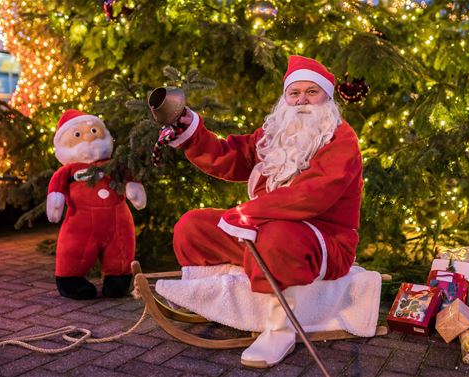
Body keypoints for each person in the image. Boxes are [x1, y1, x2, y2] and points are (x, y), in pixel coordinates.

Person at [166, 55, 363, 367]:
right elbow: (229, 156)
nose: (302, 100)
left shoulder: (341, 138)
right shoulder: (274, 133)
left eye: (312, 92)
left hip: (324, 242)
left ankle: (279, 328)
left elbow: (312, 195)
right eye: (294, 93)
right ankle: (211, 301)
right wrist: (192, 131)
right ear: (285, 98)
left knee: (277, 236)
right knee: (194, 226)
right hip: (262, 229)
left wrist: (248, 212)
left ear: (327, 96)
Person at [47, 109, 147, 300]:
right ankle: (70, 280)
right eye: (78, 134)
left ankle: (118, 280)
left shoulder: (113, 165)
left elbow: (129, 178)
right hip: (80, 224)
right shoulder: (68, 171)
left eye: (94, 131)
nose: (88, 137)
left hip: (118, 221)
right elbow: (56, 189)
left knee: (121, 250)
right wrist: (55, 203)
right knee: (74, 250)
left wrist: (134, 189)